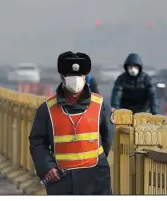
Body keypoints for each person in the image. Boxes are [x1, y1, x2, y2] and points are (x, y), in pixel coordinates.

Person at [29, 51, 113, 195]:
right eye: (70, 77)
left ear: (85, 77)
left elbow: (107, 138)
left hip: (96, 178)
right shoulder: (47, 109)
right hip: (62, 181)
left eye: (79, 76)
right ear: (62, 78)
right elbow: (37, 142)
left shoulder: (101, 105)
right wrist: (47, 167)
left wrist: (98, 162)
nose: (76, 80)